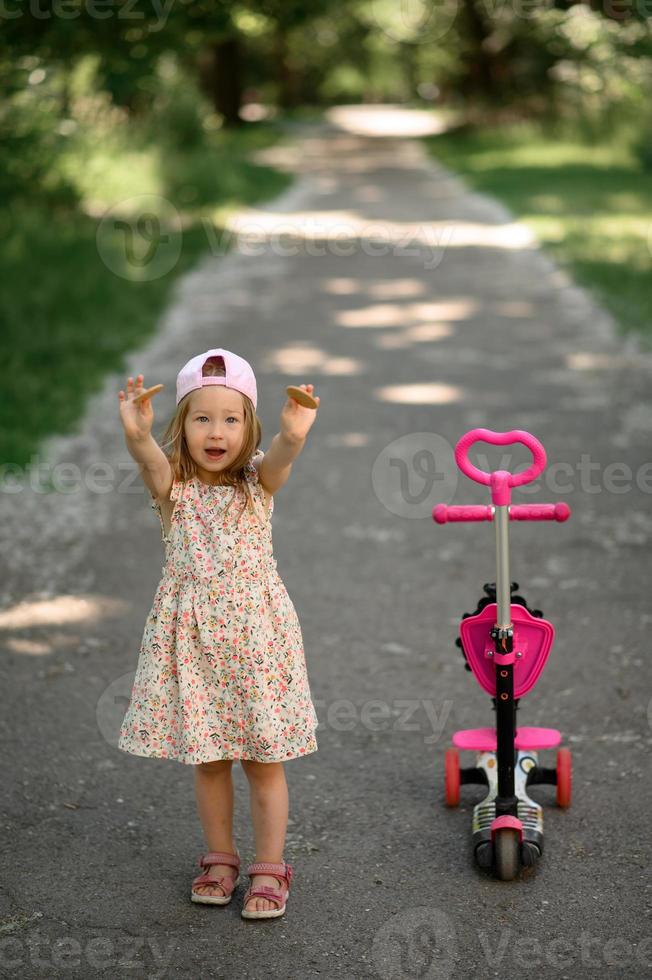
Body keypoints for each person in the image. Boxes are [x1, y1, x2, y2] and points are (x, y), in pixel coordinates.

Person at [116, 348, 320, 920]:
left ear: (249, 426)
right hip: (194, 646)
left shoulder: (258, 484)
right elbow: (148, 459)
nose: (216, 432)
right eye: (201, 418)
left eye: (231, 419)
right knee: (208, 759)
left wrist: (293, 433)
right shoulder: (172, 488)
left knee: (263, 759)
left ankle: (270, 867)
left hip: (256, 644)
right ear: (181, 426)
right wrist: (137, 434)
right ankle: (221, 858)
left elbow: (281, 458)